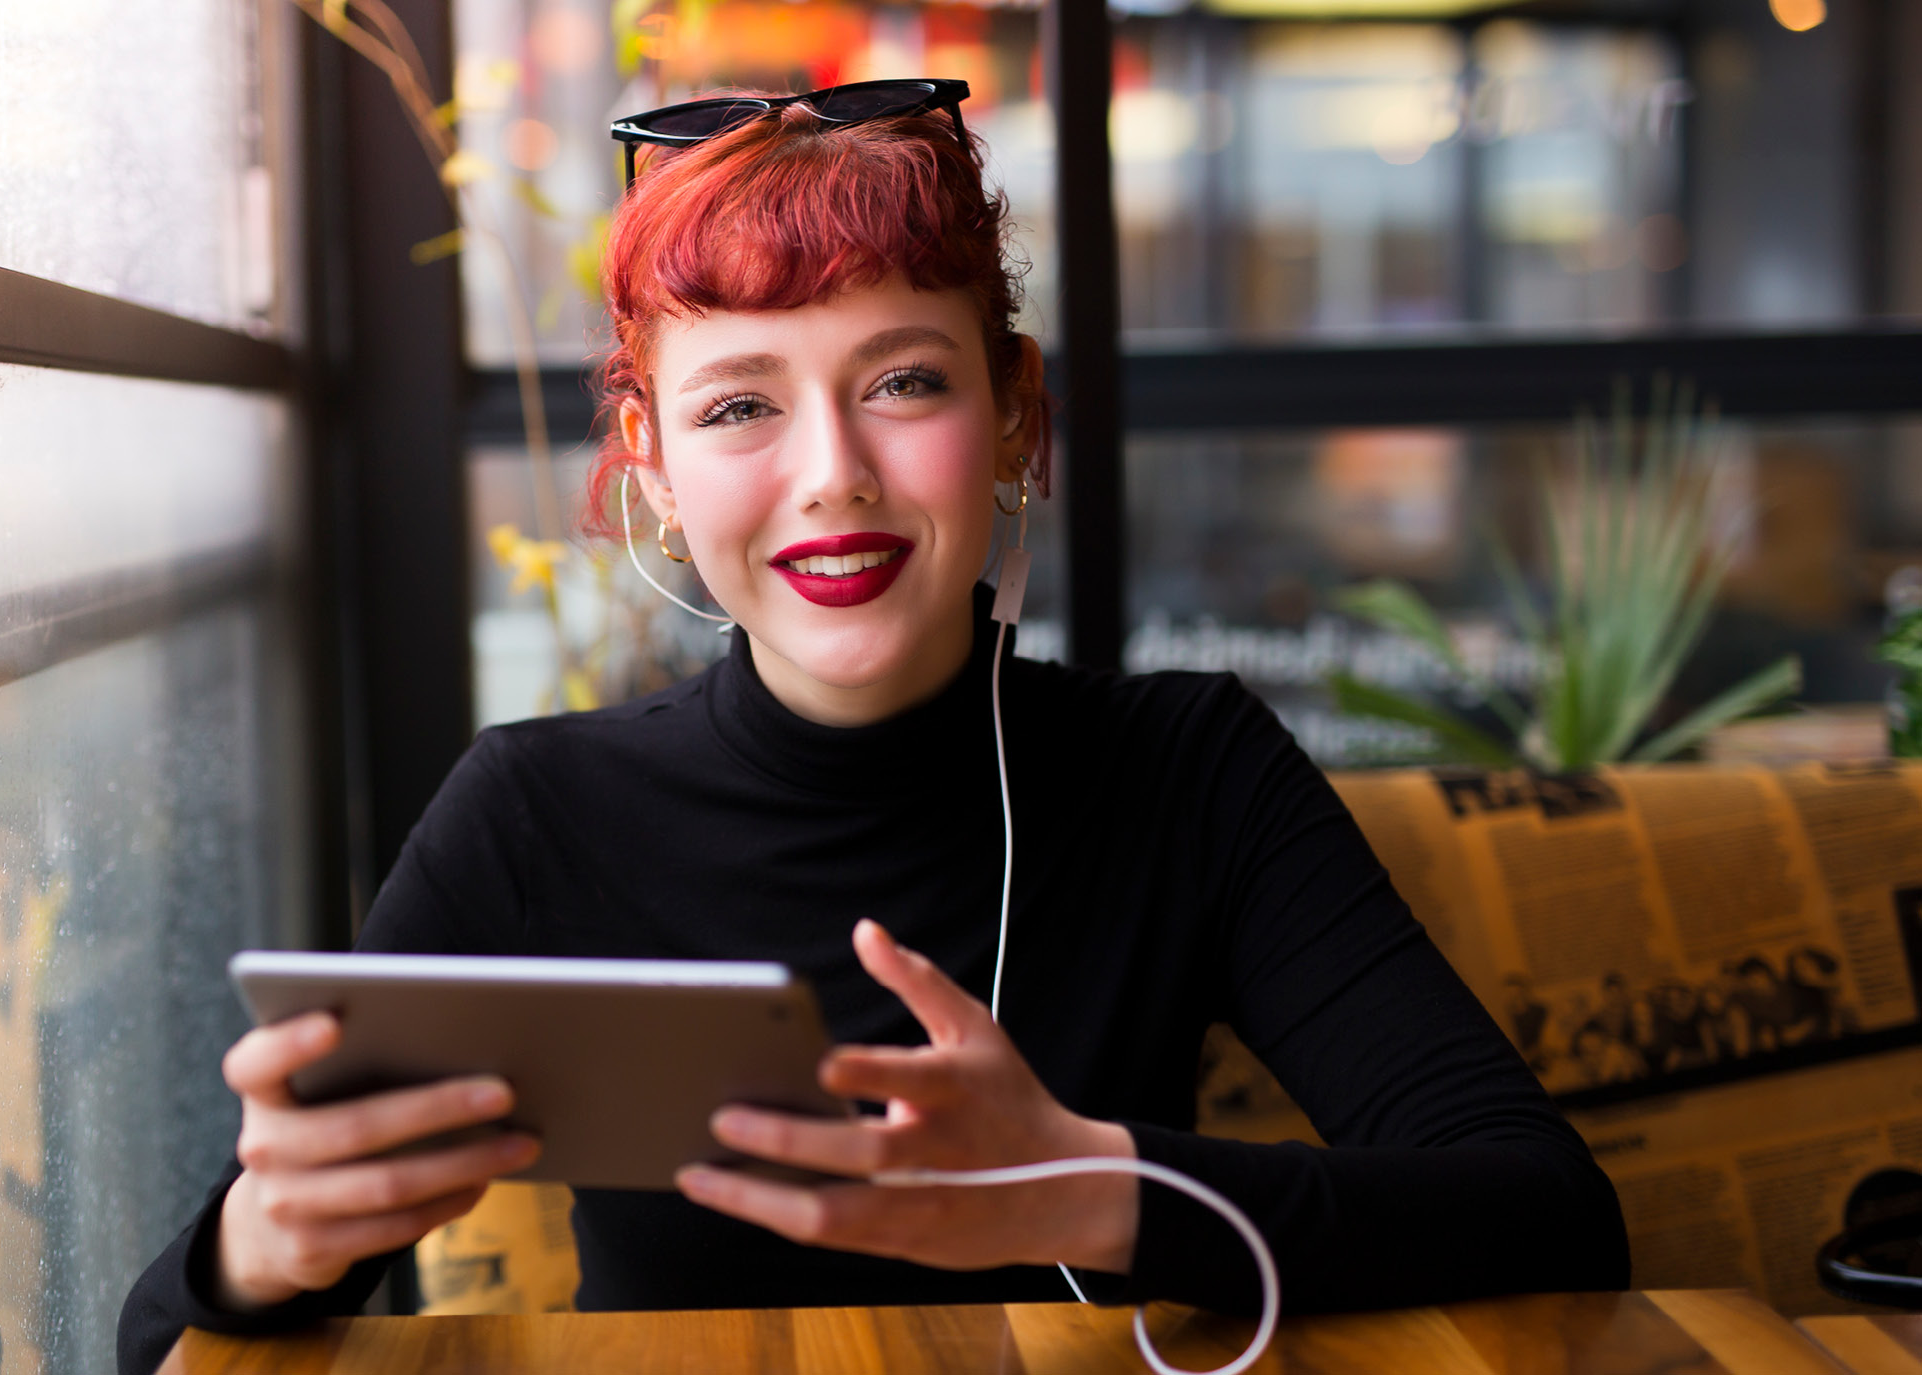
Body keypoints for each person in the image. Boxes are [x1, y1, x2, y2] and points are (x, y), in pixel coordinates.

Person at [117, 80, 1627, 1374]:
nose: (832, 474)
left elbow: (1553, 1213)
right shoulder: (535, 811)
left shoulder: (1188, 770)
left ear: (1015, 412)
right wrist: (267, 1235)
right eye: (737, 408)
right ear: (648, 460)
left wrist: (1075, 1187)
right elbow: (156, 1342)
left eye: (902, 381)